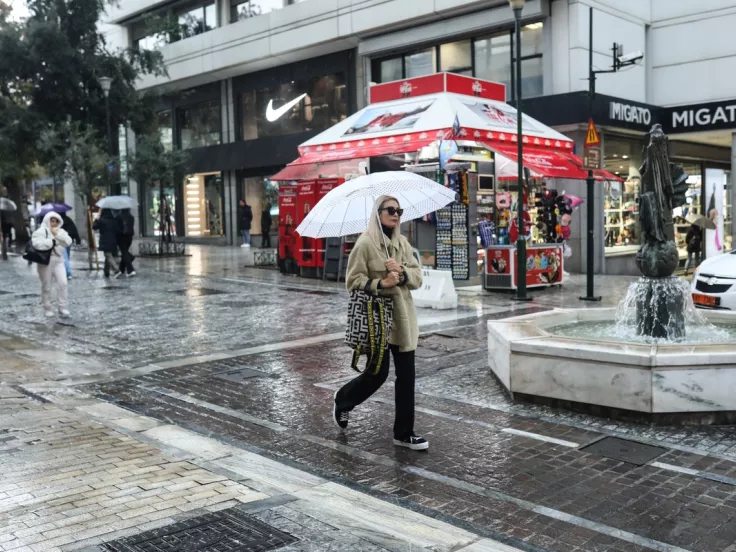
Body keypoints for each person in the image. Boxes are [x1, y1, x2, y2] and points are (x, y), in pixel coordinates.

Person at [333, 195, 427, 451]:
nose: (396, 214)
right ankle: (344, 399)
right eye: (390, 210)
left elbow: (418, 277)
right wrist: (381, 283)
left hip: (403, 319)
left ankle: (404, 433)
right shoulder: (365, 244)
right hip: (377, 321)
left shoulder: (403, 243)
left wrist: (403, 272)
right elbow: (352, 281)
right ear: (378, 214)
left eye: (399, 210)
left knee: (407, 377)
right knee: (378, 374)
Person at [31, 212, 72, 318]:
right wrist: (52, 242)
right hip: (45, 261)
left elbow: (68, 242)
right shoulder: (40, 231)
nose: (53, 223)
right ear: (47, 220)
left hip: (59, 260)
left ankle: (63, 307)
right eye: (51, 220)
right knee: (46, 286)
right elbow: (37, 244)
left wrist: (57, 235)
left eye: (55, 221)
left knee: (63, 283)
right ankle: (47, 307)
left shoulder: (61, 231)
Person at [93, 209, 122, 278]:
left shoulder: (101, 220)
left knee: (108, 255)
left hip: (105, 241)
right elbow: (118, 230)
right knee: (107, 256)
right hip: (113, 241)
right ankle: (106, 272)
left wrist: (97, 217)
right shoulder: (113, 220)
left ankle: (116, 270)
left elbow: (94, 227)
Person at [59, 212, 81, 280]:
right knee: (66, 257)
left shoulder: (57, 221)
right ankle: (65, 270)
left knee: (64, 257)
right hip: (69, 241)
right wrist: (78, 240)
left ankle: (67, 272)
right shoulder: (68, 219)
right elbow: (74, 229)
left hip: (61, 241)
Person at [116, 209, 136, 277]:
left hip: (121, 237)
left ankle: (130, 270)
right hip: (129, 237)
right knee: (125, 252)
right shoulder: (131, 217)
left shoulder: (118, 216)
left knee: (124, 253)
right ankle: (121, 269)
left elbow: (118, 228)